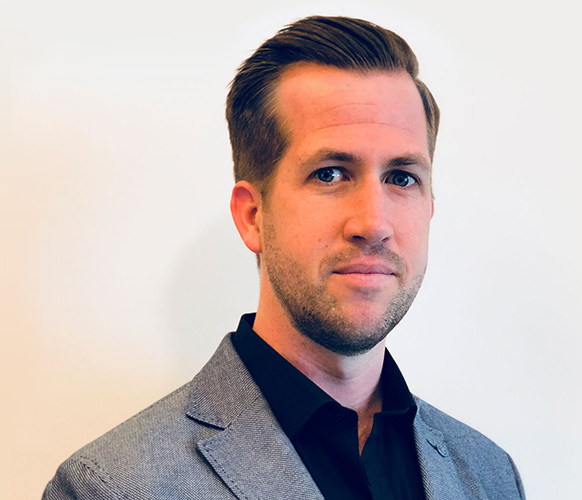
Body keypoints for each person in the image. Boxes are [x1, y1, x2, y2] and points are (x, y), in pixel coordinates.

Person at [43, 15, 525, 500]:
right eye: (330, 174)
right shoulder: (111, 486)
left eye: (402, 178)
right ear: (252, 216)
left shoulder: (489, 475)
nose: (374, 223)